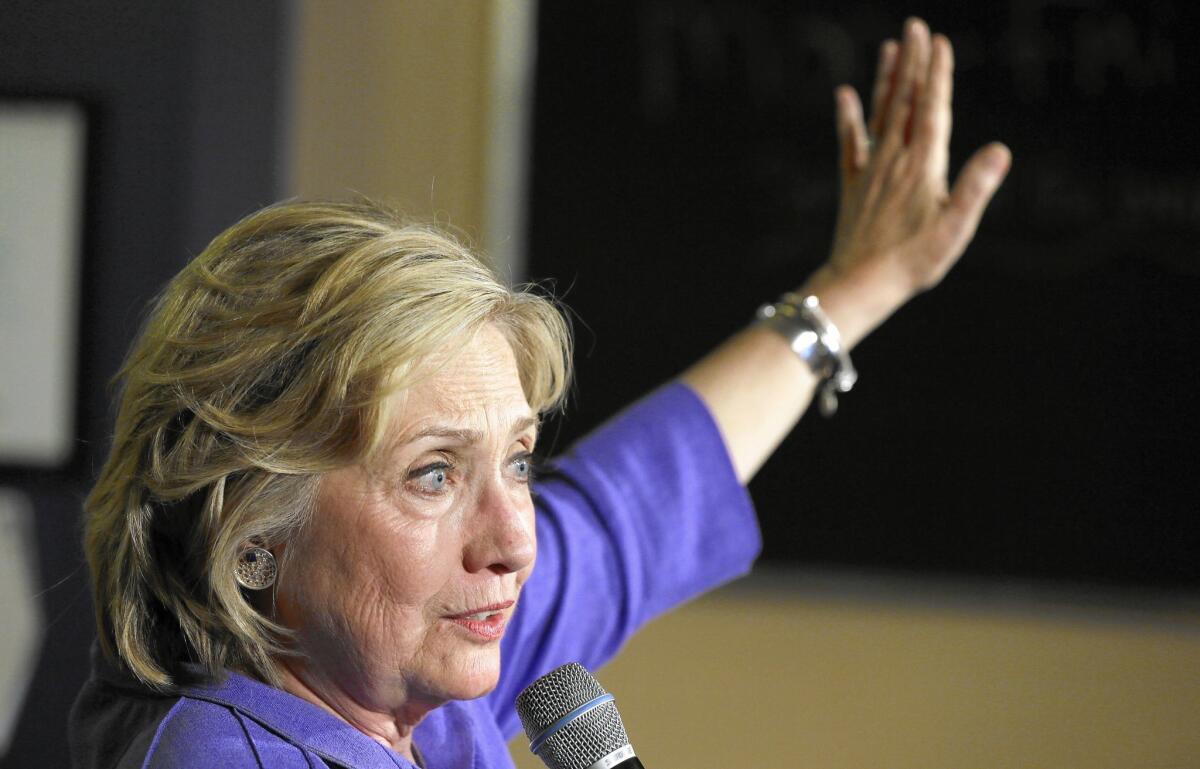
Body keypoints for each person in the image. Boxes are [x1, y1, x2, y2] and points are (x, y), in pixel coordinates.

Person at [69, 18, 1010, 769]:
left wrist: (857, 288)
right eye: (433, 474)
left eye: (517, 459)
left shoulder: (411, 682)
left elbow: (632, 510)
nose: (514, 539)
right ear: (253, 541)